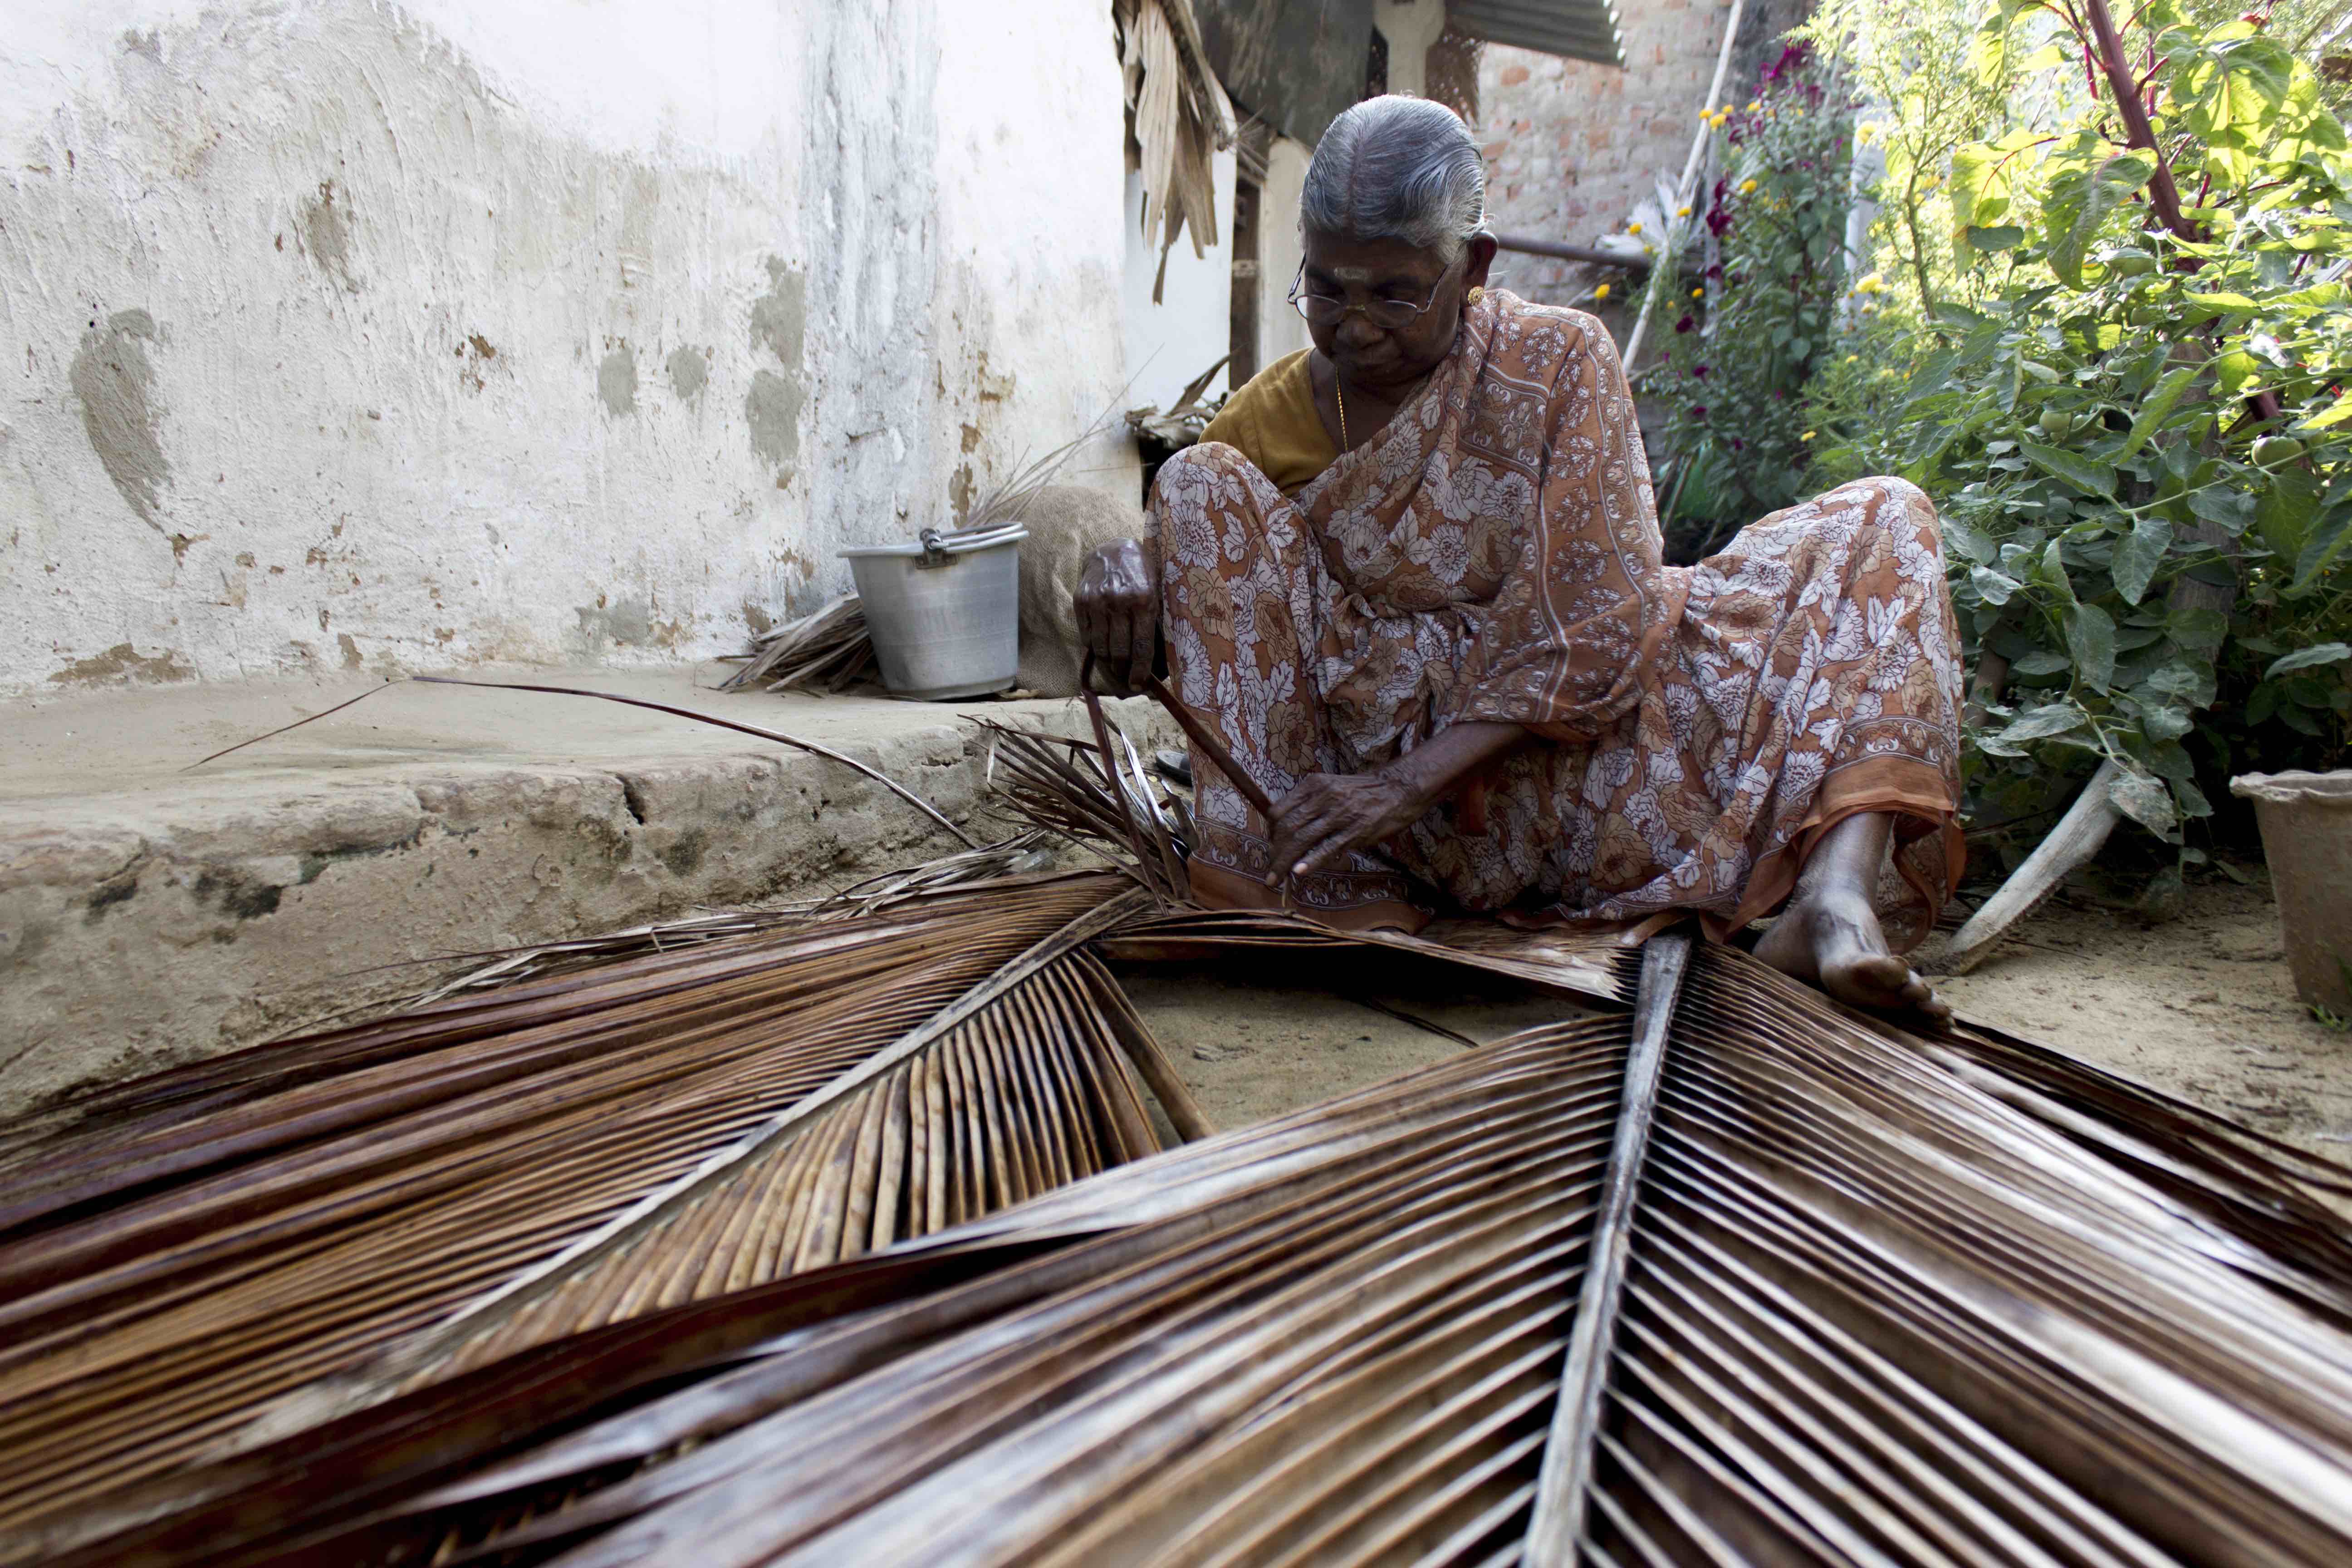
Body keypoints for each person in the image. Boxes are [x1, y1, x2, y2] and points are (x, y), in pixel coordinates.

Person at [1077, 95, 1962, 1019]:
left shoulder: (1559, 360)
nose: (1355, 324)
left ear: (1475, 264)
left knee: (1886, 519)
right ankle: (1317, 902)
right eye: (1329, 288)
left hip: (1598, 779)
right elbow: (1200, 596)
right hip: (1373, 834)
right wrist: (1122, 560)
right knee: (1194, 481)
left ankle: (1831, 898)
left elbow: (1602, 622)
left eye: (1395, 291)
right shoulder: (1270, 417)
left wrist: (1404, 784)